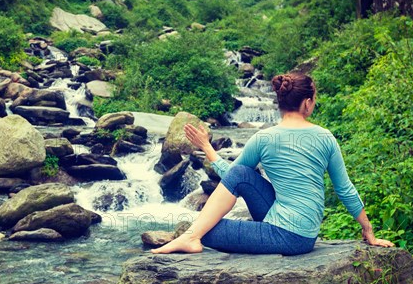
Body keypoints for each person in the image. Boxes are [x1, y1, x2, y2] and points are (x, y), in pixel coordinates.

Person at [152, 73, 394, 255]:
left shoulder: (263, 137)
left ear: (280, 103)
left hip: (289, 236)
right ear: (308, 103)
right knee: (238, 179)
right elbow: (345, 189)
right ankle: (192, 237)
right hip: (297, 228)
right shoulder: (325, 137)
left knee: (204, 228)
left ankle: (191, 237)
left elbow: (230, 174)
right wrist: (368, 231)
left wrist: (206, 147)